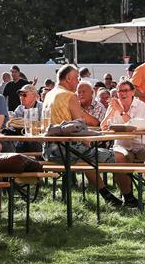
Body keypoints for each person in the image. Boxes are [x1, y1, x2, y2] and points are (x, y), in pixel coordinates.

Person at [44, 64, 123, 207]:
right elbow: (79, 125)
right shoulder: (69, 95)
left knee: (87, 160)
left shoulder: (49, 95)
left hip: (49, 151)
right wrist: (91, 137)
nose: (78, 82)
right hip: (69, 151)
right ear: (68, 78)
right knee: (121, 156)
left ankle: (107, 195)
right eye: (76, 78)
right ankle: (129, 198)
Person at [101, 80, 145, 205]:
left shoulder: (140, 105)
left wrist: (120, 110)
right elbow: (103, 126)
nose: (122, 93)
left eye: (125, 90)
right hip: (121, 144)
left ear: (133, 92)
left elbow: (134, 126)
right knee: (121, 158)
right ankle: (128, 197)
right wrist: (111, 112)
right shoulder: (114, 105)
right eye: (120, 91)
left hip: (141, 143)